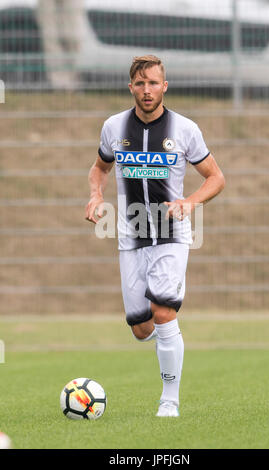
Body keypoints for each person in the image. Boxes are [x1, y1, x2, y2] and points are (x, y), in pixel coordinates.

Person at [85, 55, 225, 417]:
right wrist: (95, 195)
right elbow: (100, 167)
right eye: (140, 83)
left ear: (165, 86)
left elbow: (216, 177)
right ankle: (160, 328)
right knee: (141, 326)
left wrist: (190, 202)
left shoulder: (184, 129)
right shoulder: (114, 127)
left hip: (172, 234)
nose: (147, 90)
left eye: (153, 83)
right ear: (131, 87)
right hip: (130, 236)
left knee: (164, 312)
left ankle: (169, 401)